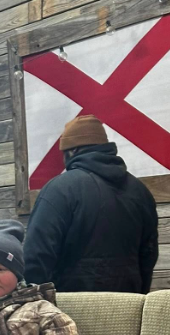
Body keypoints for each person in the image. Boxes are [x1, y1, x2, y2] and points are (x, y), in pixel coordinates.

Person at [24, 115, 158, 293]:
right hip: (128, 302)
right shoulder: (140, 191)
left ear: (72, 151)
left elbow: (35, 257)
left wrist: (38, 303)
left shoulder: (60, 190)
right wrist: (139, 295)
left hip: (70, 305)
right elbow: (149, 255)